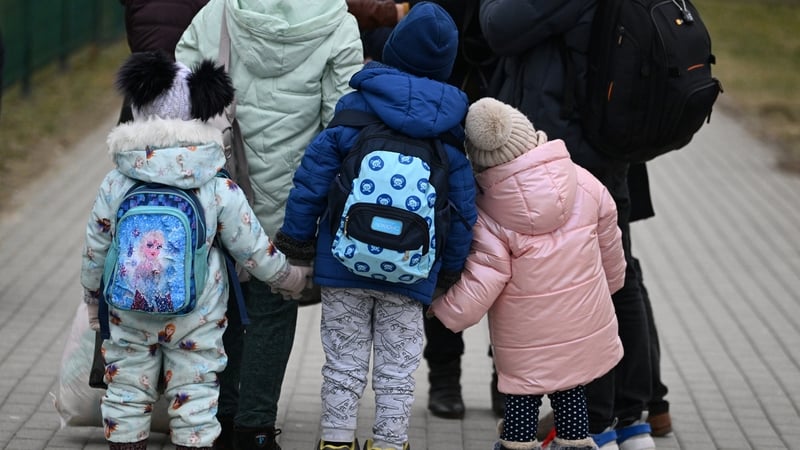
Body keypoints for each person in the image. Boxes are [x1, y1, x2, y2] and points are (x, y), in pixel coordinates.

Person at [79, 51, 311, 450]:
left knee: (127, 390)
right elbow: (251, 245)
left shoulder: (117, 180)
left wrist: (91, 298)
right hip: (198, 313)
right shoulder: (215, 183)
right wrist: (287, 277)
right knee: (196, 392)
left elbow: (96, 244)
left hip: (128, 306)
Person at [273, 3, 477, 449]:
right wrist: (448, 271)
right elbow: (463, 210)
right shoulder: (450, 130)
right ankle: (388, 442)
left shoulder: (356, 108)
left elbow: (313, 177)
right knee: (397, 368)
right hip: (412, 270)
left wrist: (297, 242)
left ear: (394, 52)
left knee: (343, 362)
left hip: (343, 264)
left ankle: (337, 440)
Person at [175, 1, 364, 448]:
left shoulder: (217, 13)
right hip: (293, 198)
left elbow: (177, 94)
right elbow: (342, 119)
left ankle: (216, 415)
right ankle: (255, 428)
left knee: (214, 302)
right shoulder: (338, 23)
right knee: (273, 304)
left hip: (215, 190)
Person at [479, 1, 656, 449]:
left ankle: (596, 427)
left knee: (580, 280)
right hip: (606, 135)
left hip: (563, 146)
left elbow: (499, 24)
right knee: (618, 272)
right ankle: (630, 419)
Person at [428, 97, 626, 450]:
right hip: (581, 321)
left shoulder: (488, 212)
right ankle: (574, 444)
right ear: (529, 134)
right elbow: (609, 242)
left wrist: (443, 310)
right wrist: (610, 285)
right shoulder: (584, 182)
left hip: (525, 337)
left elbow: (484, 277)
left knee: (522, 401)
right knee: (571, 395)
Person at [345, 0, 500, 420]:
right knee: (439, 238)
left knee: (498, 257)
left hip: (498, 113)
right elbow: (386, 34)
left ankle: (505, 376)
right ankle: (445, 375)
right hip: (431, 111)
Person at [628, 163, 672, 437]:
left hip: (591, 155)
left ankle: (625, 410)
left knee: (616, 274)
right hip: (615, 154)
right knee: (623, 270)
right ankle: (651, 402)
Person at [117, 0, 209, 124]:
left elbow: (133, 40)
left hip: (143, 84)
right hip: (185, 88)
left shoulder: (134, 3)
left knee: (127, 134)